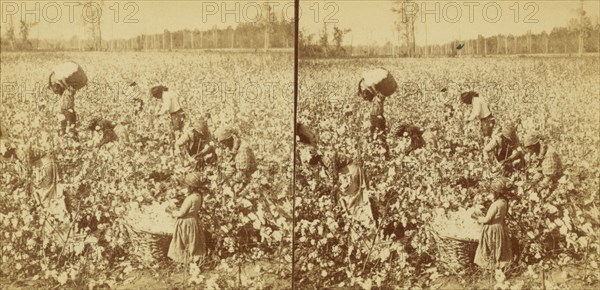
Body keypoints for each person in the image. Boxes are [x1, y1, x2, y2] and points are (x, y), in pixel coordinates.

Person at [167, 172, 208, 264]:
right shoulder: (199, 196)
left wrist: (171, 212)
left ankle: (184, 259)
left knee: (184, 240)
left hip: (186, 222)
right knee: (193, 239)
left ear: (191, 187)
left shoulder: (190, 198)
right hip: (194, 220)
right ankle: (195, 258)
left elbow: (181, 213)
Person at [474, 178, 514, 270]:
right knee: (499, 246)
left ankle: (490, 267)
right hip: (500, 227)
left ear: (497, 192)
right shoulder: (505, 203)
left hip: (492, 229)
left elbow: (487, 219)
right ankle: (501, 265)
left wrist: (478, 218)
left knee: (490, 247)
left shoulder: (495, 205)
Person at [48, 62, 87, 137]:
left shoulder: (70, 90)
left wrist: (62, 77)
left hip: (69, 111)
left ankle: (74, 139)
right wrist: (51, 76)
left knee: (71, 127)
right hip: (64, 110)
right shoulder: (62, 92)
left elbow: (65, 83)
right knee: (63, 126)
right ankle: (65, 135)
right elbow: (54, 87)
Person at [215, 126, 256, 196]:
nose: (222, 145)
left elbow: (242, 173)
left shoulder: (242, 149)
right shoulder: (232, 146)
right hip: (239, 171)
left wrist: (230, 184)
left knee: (237, 194)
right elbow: (232, 164)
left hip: (249, 175)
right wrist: (224, 178)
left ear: (228, 139)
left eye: (223, 142)